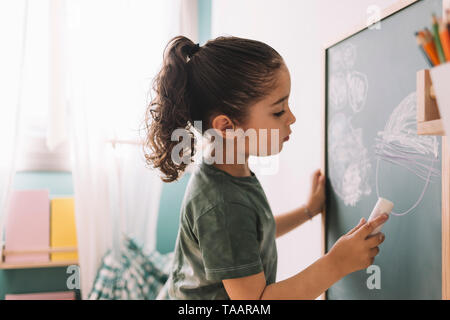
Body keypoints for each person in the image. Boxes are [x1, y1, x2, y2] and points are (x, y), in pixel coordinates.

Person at [143, 35, 388, 300]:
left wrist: (308, 211)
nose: (291, 118)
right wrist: (336, 263)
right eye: (278, 111)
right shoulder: (222, 203)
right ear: (227, 127)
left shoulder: (232, 170)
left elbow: (252, 234)